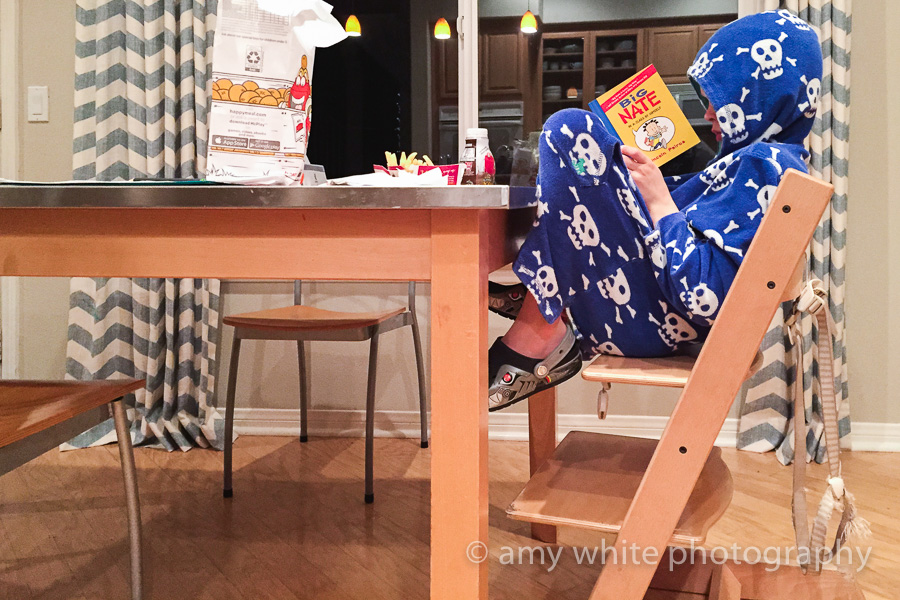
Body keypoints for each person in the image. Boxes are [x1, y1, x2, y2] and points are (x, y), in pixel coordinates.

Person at [488, 10, 824, 411]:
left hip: (658, 324)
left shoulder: (765, 166)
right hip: (653, 311)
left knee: (569, 129)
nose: (708, 114)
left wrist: (659, 198)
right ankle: (542, 297)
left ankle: (540, 325)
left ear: (757, 96)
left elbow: (706, 298)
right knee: (585, 144)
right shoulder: (768, 161)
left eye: (719, 100)